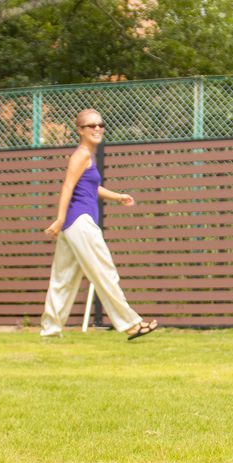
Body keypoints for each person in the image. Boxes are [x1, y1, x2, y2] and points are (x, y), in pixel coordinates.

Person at [39, 109, 158, 339]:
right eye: (90, 126)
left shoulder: (87, 156)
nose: (97, 129)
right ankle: (131, 324)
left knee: (62, 279)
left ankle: (50, 331)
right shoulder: (81, 155)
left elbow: (90, 188)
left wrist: (118, 196)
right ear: (79, 130)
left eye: (100, 125)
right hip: (79, 223)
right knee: (105, 272)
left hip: (73, 226)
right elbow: (67, 187)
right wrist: (60, 218)